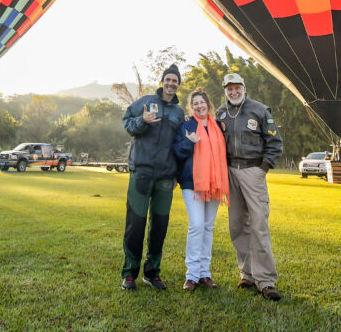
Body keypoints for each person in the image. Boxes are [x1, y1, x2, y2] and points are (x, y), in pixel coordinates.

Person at [216, 73, 283, 301]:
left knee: (259, 224)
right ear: (225, 90)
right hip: (230, 173)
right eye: (229, 88)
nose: (233, 92)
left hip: (253, 170)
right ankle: (247, 274)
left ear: (244, 87)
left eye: (237, 87)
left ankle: (266, 280)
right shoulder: (221, 113)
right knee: (237, 224)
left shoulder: (260, 110)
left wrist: (262, 168)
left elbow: (274, 142)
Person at [120, 64, 185, 291]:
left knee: (160, 226)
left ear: (178, 84)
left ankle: (152, 272)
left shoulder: (179, 113)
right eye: (168, 79)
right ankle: (129, 273)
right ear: (162, 81)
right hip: (142, 171)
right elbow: (127, 123)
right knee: (135, 224)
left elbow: (180, 146)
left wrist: (177, 173)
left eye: (175, 80)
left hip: (166, 177)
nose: (171, 83)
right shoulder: (146, 102)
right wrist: (142, 121)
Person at [173, 89, 228, 292]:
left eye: (202, 102)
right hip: (192, 183)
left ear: (208, 104)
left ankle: (205, 273)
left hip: (214, 183)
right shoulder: (187, 125)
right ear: (191, 107)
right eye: (195, 103)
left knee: (208, 227)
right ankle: (192, 275)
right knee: (196, 225)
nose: (199, 106)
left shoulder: (218, 127)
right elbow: (177, 151)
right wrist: (189, 142)